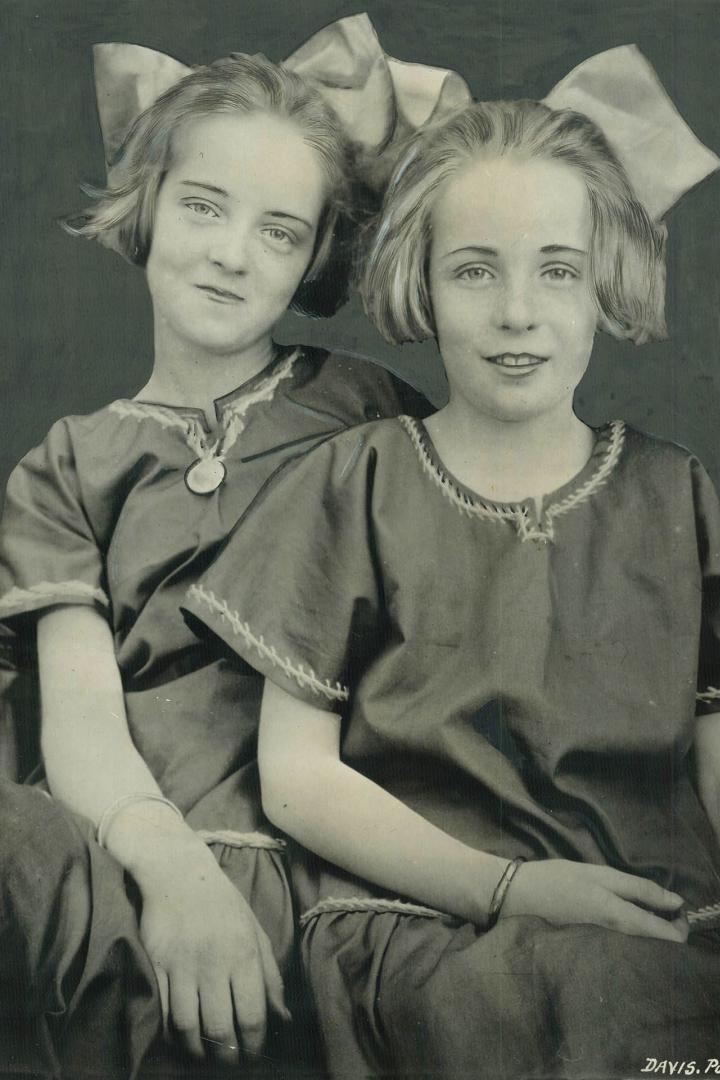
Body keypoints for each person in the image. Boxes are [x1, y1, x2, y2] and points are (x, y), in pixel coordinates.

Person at [184, 46, 720, 1079]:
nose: (516, 312)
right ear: (421, 285)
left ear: (604, 279)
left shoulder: (673, 492)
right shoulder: (357, 480)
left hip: (662, 934)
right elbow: (295, 778)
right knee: (602, 1009)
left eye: (554, 270)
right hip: (434, 931)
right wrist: (511, 889)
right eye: (474, 270)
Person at [0, 16, 452, 1078]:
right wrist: (183, 884)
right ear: (150, 204)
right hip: (133, 854)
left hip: (342, 863)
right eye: (204, 206)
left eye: (279, 231)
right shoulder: (66, 466)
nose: (230, 254)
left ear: (314, 260)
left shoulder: (369, 415)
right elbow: (79, 723)